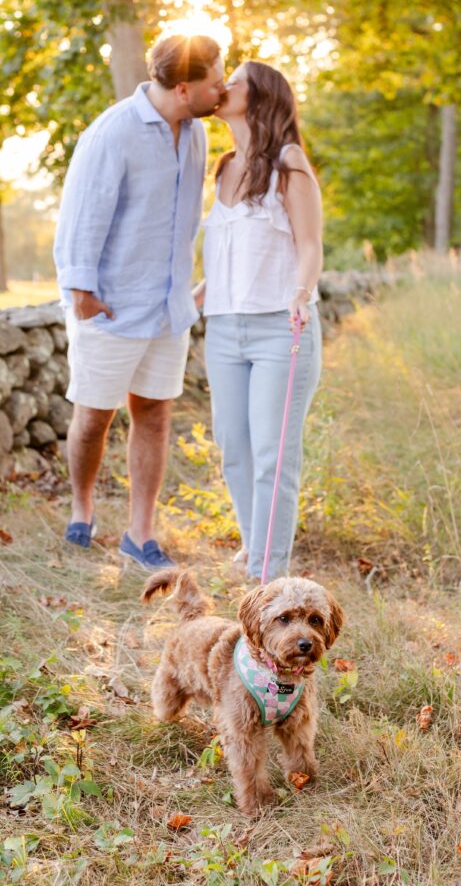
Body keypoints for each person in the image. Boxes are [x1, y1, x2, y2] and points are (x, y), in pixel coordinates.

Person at [54, 34, 226, 569]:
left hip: (169, 309)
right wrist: (82, 294)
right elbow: (80, 216)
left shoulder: (195, 131)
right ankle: (82, 507)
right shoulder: (113, 132)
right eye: (214, 81)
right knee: (93, 418)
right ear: (182, 88)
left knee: (153, 414)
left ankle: (140, 532)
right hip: (111, 305)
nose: (222, 88)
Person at [195, 61, 323, 582]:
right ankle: (255, 549)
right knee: (234, 448)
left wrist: (300, 291)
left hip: (279, 327)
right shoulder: (224, 165)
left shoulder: (288, 162)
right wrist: (202, 291)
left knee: (273, 454)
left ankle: (270, 577)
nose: (223, 88)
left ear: (261, 97)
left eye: (236, 81)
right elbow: (232, 251)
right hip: (224, 328)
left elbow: (310, 243)